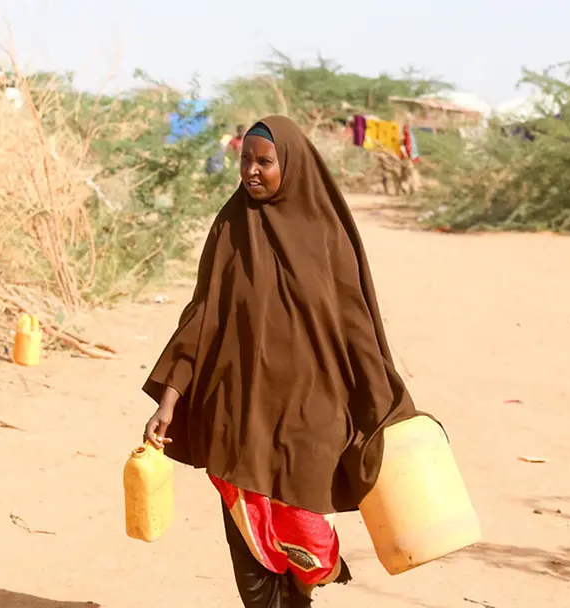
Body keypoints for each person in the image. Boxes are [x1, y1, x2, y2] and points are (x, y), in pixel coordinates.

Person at [142, 116, 418, 607]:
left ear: (289, 165)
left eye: (263, 161)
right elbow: (200, 317)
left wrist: (387, 406)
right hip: (238, 415)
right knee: (250, 556)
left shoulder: (325, 234)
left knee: (302, 546)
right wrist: (171, 397)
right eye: (245, 160)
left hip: (309, 419)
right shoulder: (231, 225)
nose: (251, 170)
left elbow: (356, 328)